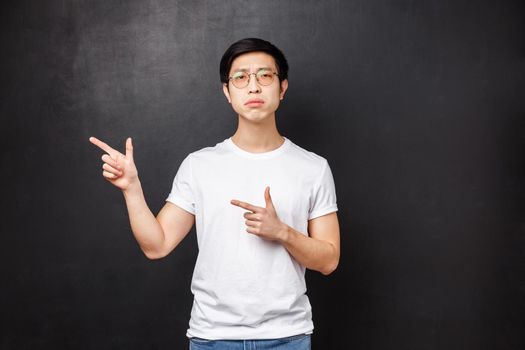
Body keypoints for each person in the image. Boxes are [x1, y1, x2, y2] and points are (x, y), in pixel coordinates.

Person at [89, 37, 340, 350]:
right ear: (227, 92)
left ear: (282, 87)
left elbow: (329, 260)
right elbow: (157, 245)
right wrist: (131, 189)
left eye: (265, 76)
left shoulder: (313, 168)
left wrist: (283, 233)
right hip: (213, 338)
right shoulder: (199, 165)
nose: (253, 87)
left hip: (287, 337)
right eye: (240, 77)